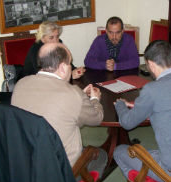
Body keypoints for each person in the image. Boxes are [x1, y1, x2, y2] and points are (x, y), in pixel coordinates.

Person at [113, 40, 171, 182]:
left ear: (150, 64)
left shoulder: (151, 90)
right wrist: (142, 107)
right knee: (155, 150)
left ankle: (141, 181)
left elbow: (127, 123)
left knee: (119, 151)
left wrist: (121, 105)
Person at [11, 42, 107, 175]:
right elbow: (97, 118)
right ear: (62, 67)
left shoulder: (21, 84)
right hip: (60, 170)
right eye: (69, 64)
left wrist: (81, 97)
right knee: (101, 155)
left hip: (27, 161)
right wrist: (95, 99)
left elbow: (48, 104)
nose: (70, 68)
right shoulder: (72, 94)